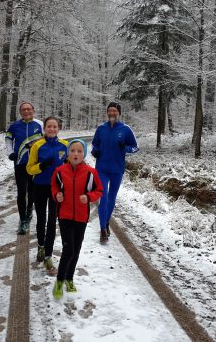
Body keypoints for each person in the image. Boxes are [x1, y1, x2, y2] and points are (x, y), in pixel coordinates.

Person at [51, 139, 103, 299]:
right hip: (65, 214)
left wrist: (89, 197)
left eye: (79, 151)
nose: (75, 153)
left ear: (84, 154)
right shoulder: (60, 171)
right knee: (68, 248)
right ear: (68, 153)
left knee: (77, 248)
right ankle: (59, 280)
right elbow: (54, 186)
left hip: (81, 216)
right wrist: (57, 195)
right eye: (72, 150)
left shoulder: (90, 173)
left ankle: (69, 278)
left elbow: (99, 190)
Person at [91, 101, 138, 242]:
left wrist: (126, 148)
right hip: (102, 169)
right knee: (103, 197)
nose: (112, 113)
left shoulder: (126, 129)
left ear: (119, 113)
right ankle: (103, 229)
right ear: (107, 113)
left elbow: (135, 147)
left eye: (114, 111)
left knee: (111, 198)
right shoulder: (101, 128)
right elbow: (95, 143)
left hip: (117, 169)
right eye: (110, 111)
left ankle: (106, 221)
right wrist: (95, 151)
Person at [26, 116, 68, 275]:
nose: (51, 129)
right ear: (44, 128)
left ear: (59, 128)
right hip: (40, 187)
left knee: (52, 221)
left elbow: (71, 166)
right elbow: (29, 169)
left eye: (54, 126)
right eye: (49, 126)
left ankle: (49, 255)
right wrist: (41, 166)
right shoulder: (37, 145)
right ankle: (41, 247)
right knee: (41, 219)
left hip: (57, 189)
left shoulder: (65, 145)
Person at [5, 102, 43, 235]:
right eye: (23, 110)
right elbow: (8, 139)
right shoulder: (14, 126)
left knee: (32, 190)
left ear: (33, 110)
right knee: (21, 192)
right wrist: (10, 153)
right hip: (20, 163)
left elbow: (45, 140)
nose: (26, 111)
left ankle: (29, 210)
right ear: (20, 112)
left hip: (35, 164)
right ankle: (23, 220)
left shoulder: (39, 125)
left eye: (29, 109)